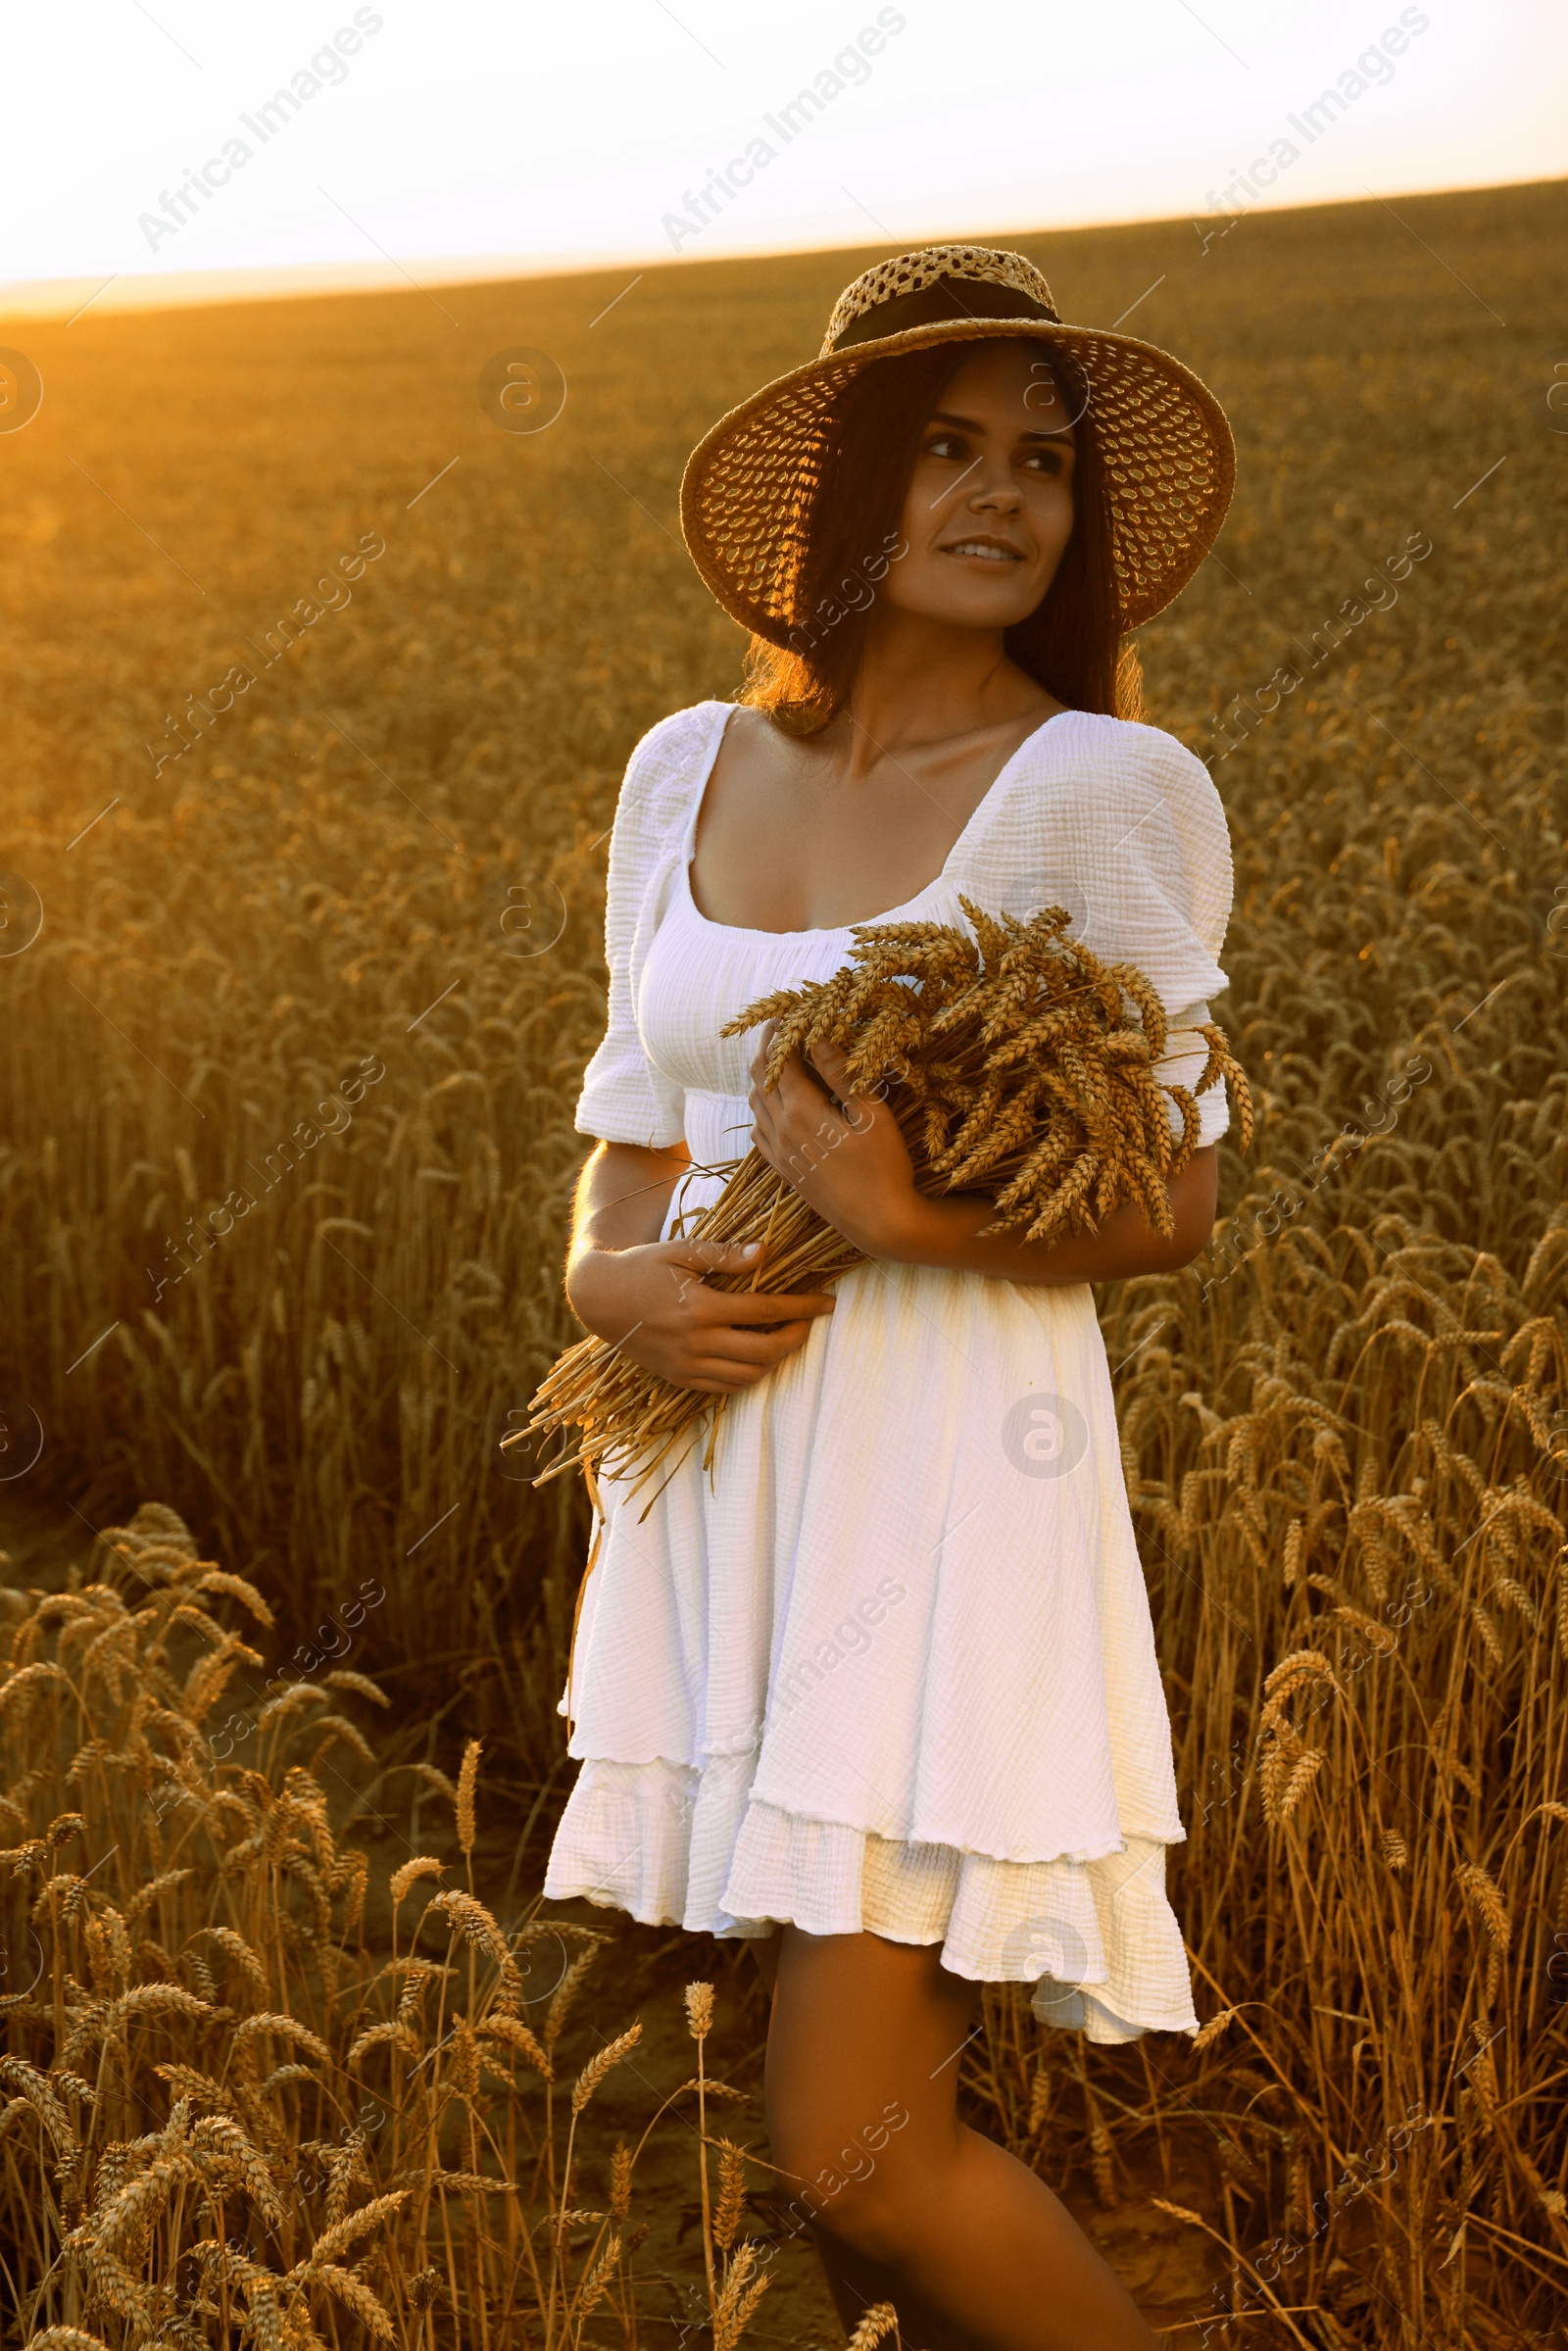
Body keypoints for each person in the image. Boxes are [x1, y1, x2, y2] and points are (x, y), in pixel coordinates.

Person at [542, 245, 1239, 2348]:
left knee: (852, 2147)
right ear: (842, 491)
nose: (999, 494)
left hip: (939, 1487)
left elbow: (1182, 1193)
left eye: (1039, 457)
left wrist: (909, 1219)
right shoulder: (681, 769)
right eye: (940, 446)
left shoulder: (1104, 791)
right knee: (844, 2162)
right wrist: (605, 1283)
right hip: (716, 1472)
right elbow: (628, 1114)